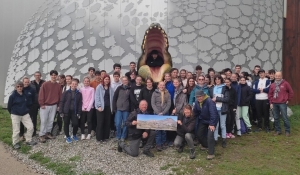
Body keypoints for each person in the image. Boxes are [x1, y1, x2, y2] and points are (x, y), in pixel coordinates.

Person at [7, 81, 37, 149]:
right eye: (18, 86)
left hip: (25, 114)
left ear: (23, 87)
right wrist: (13, 113)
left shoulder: (25, 95)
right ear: (15, 87)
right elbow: (9, 107)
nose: (19, 88)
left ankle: (28, 140)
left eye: (21, 86)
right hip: (15, 114)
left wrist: (26, 110)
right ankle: (15, 143)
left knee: (30, 127)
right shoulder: (12, 96)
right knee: (16, 130)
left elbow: (29, 103)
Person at [193, 90, 219, 160]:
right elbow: (195, 113)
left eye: (200, 96)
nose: (199, 98)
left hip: (211, 120)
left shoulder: (209, 101)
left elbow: (213, 113)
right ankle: (206, 145)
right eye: (197, 97)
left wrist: (212, 124)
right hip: (203, 120)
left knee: (210, 135)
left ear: (204, 95)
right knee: (199, 134)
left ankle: (211, 153)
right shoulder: (197, 102)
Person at [38, 70, 62, 143]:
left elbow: (60, 96)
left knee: (51, 120)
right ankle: (41, 134)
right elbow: (41, 94)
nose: (54, 76)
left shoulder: (58, 86)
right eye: (52, 75)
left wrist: (59, 105)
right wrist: (41, 104)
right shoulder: (45, 84)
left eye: (55, 75)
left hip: (54, 105)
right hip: (45, 105)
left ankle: (47, 133)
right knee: (44, 120)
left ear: (57, 76)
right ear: (50, 76)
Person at [268, 72, 294, 137]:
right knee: (276, 118)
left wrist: (288, 99)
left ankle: (287, 131)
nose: (277, 77)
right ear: (274, 76)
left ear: (281, 76)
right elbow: (270, 94)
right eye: (276, 76)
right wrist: (271, 102)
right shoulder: (272, 85)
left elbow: (291, 92)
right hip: (274, 103)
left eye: (279, 76)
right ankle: (278, 131)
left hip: (282, 103)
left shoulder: (285, 83)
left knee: (285, 118)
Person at [59, 79, 82, 143]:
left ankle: (74, 135)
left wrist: (79, 112)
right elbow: (62, 102)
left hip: (74, 111)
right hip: (66, 111)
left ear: (77, 85)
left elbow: (80, 104)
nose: (74, 85)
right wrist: (61, 111)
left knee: (76, 123)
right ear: (70, 84)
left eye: (75, 84)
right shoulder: (66, 93)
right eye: (73, 84)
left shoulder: (79, 94)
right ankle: (67, 136)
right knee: (66, 123)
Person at [210, 75, 229, 148]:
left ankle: (224, 139)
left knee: (222, 125)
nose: (217, 81)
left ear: (221, 80)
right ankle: (215, 139)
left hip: (222, 109)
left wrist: (217, 99)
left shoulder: (225, 88)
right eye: (216, 79)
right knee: (215, 125)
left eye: (219, 79)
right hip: (214, 109)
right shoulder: (212, 88)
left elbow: (227, 99)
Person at [151, 81, 171, 151]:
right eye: (161, 85)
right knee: (158, 130)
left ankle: (163, 143)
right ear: (158, 86)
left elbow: (168, 104)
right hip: (157, 114)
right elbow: (153, 104)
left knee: (164, 130)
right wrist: (158, 112)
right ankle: (158, 144)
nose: (162, 86)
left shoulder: (167, 93)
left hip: (165, 114)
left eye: (163, 85)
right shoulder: (154, 93)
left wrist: (163, 112)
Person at [95, 74, 114, 142]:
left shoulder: (110, 88)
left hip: (108, 107)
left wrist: (112, 108)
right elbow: (97, 98)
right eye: (106, 79)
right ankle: (99, 138)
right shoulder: (99, 87)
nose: (107, 80)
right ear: (103, 80)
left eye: (108, 79)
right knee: (100, 122)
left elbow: (112, 98)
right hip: (101, 107)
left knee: (107, 122)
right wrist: (99, 106)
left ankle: (105, 137)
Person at [113, 76, 131, 141]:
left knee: (125, 124)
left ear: (127, 81)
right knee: (118, 123)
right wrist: (114, 108)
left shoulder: (130, 89)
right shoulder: (119, 88)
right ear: (122, 81)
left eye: (126, 80)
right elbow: (114, 98)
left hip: (126, 109)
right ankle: (118, 136)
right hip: (118, 109)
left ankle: (123, 136)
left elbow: (131, 99)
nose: (124, 81)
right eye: (123, 80)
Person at [30, 71, 45, 136]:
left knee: (43, 118)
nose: (37, 76)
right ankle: (34, 131)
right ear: (34, 76)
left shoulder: (44, 82)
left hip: (42, 102)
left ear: (40, 76)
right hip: (34, 103)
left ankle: (43, 131)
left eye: (39, 75)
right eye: (36, 75)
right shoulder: (31, 83)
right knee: (34, 117)